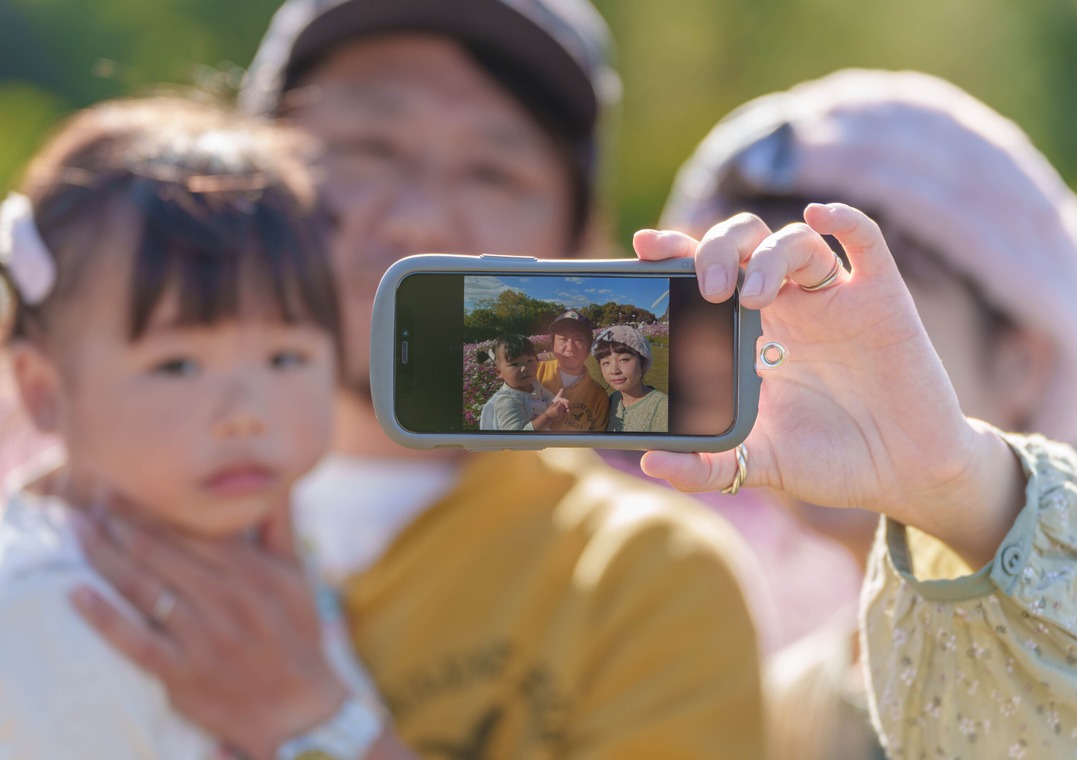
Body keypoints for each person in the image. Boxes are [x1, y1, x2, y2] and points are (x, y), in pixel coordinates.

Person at [70, 2, 767, 759]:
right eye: (366, 148)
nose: (419, 222)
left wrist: (312, 720)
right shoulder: (87, 514)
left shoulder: (645, 584)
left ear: (580, 239)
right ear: (249, 196)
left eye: (493, 171)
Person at [659, 68, 1077, 760]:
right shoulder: (772, 709)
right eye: (751, 303)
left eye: (847, 288)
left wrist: (960, 487)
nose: (789, 337)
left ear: (1025, 363)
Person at [0, 98, 381, 758]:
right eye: (177, 365)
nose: (245, 413)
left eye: (286, 357)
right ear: (44, 391)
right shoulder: (44, 613)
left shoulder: (274, 536)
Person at [534, 310, 609, 431]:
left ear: (589, 347)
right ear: (552, 344)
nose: (570, 348)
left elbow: (596, 442)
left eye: (579, 340)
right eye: (563, 339)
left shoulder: (598, 396)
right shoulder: (534, 372)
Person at [478, 333, 569, 431]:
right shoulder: (507, 401)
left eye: (530, 361)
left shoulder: (534, 384)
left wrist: (556, 403)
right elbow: (516, 439)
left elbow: (546, 396)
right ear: (499, 372)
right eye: (515, 364)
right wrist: (547, 417)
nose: (525, 368)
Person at [591, 325, 668, 433]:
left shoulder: (663, 408)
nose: (614, 370)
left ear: (643, 362)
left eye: (623, 360)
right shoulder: (612, 400)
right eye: (606, 363)